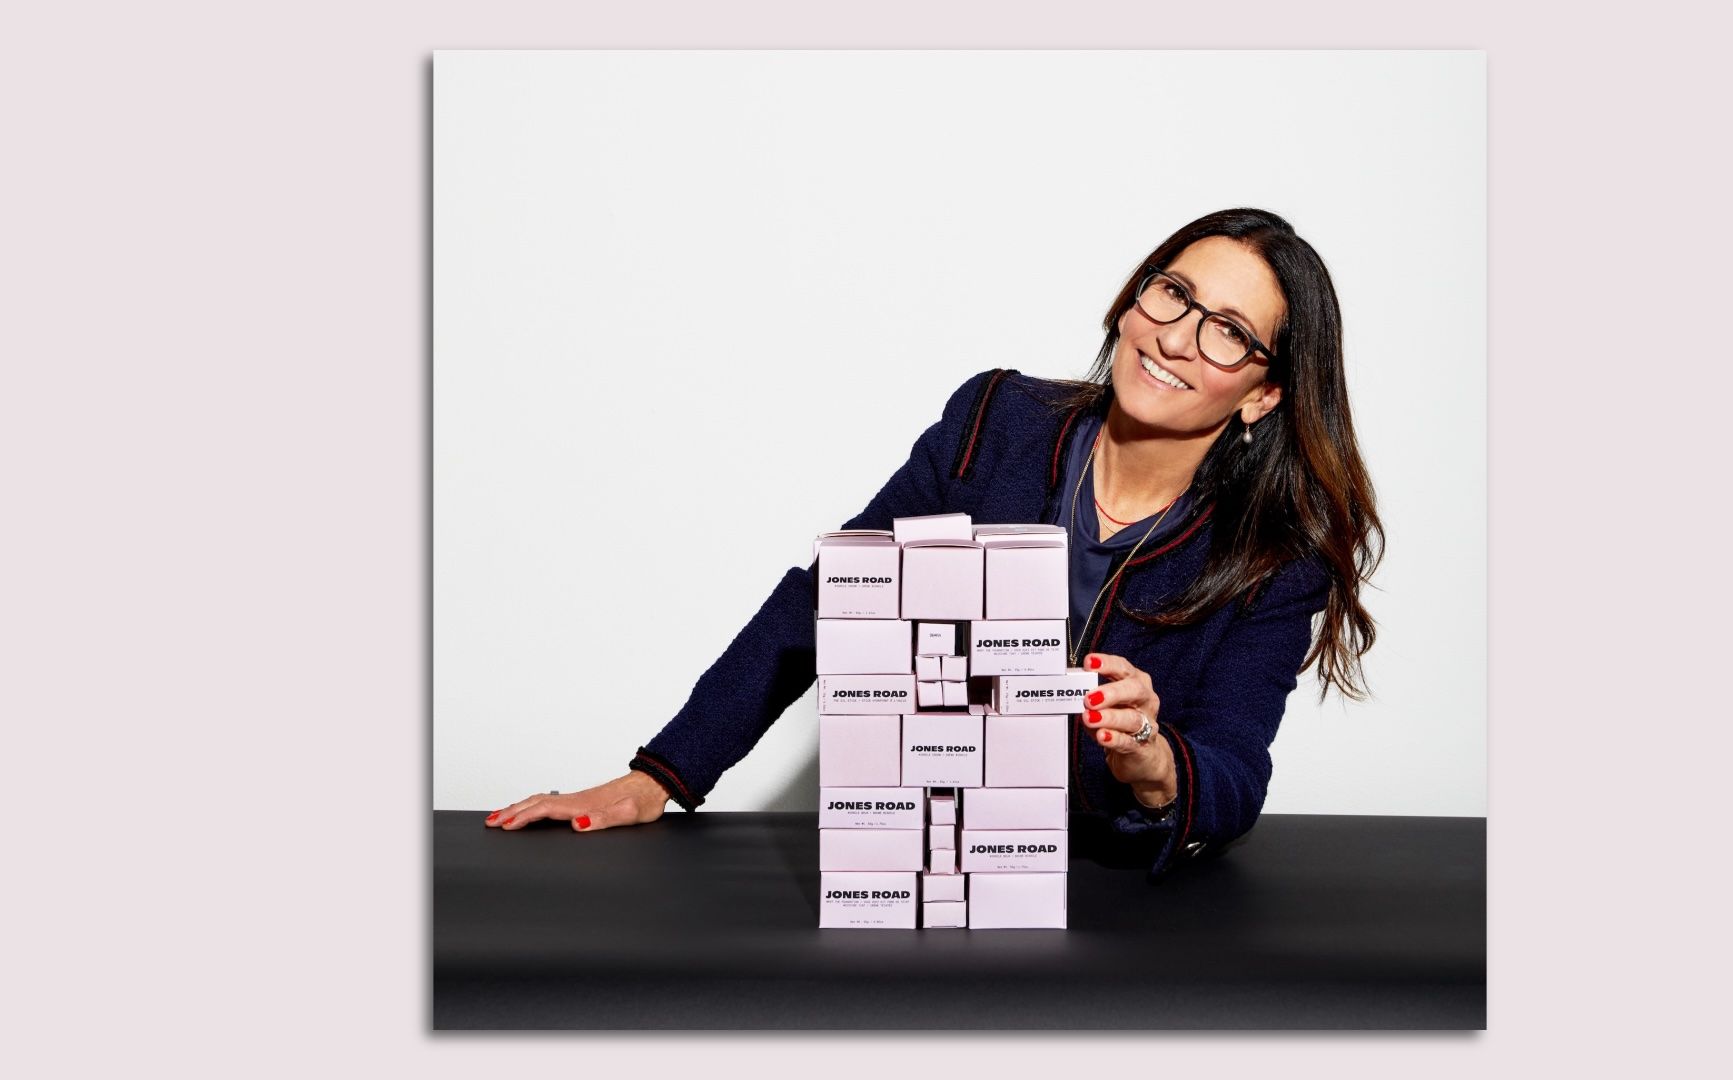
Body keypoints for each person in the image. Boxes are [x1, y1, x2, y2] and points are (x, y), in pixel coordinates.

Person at [484, 207, 1383, 880]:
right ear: (1134, 296)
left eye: (1228, 332)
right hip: (928, 860)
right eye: (1173, 293)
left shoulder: (1277, 557)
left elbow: (1232, 778)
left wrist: (1150, 755)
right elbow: (826, 598)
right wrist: (660, 777)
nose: (1177, 338)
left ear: (1263, 395)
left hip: (1103, 888)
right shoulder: (997, 420)